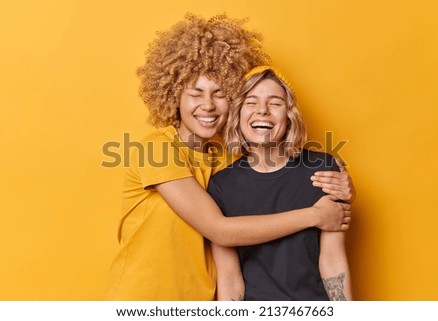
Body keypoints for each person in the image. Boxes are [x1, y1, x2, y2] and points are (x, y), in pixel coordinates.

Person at [104, 14, 354, 300]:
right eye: (195, 94)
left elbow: (269, 179)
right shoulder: (156, 151)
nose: (208, 106)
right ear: (174, 95)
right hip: (145, 298)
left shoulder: (226, 160)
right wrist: (315, 216)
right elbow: (220, 231)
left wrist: (346, 190)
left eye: (220, 94)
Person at [208, 66, 353, 301]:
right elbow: (229, 278)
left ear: (289, 115)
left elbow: (333, 260)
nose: (262, 111)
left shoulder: (323, 170)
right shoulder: (221, 186)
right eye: (251, 102)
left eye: (275, 103)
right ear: (238, 115)